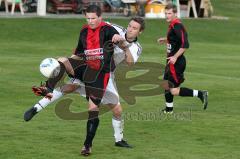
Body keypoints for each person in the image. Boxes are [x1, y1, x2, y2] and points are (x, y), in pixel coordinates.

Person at [157, 4, 208, 114]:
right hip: (170, 61)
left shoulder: (178, 25)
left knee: (173, 90)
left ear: (175, 13)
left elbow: (185, 44)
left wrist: (175, 57)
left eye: (169, 13)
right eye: (166, 13)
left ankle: (200, 94)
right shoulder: (172, 25)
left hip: (177, 63)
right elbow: (176, 40)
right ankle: (169, 109)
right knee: (166, 85)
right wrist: (166, 40)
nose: (167, 15)